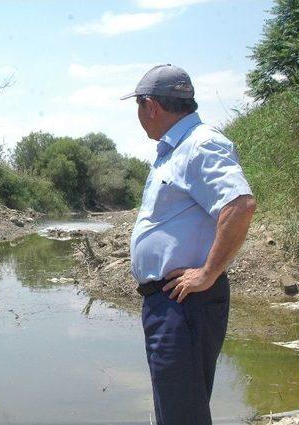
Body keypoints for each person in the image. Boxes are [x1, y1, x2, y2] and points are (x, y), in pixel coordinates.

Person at [121, 64, 256, 425]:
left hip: (185, 301)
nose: (138, 116)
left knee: (183, 413)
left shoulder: (201, 144)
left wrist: (208, 273)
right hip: (169, 301)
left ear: (151, 105)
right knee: (175, 408)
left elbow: (240, 205)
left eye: (137, 106)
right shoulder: (172, 151)